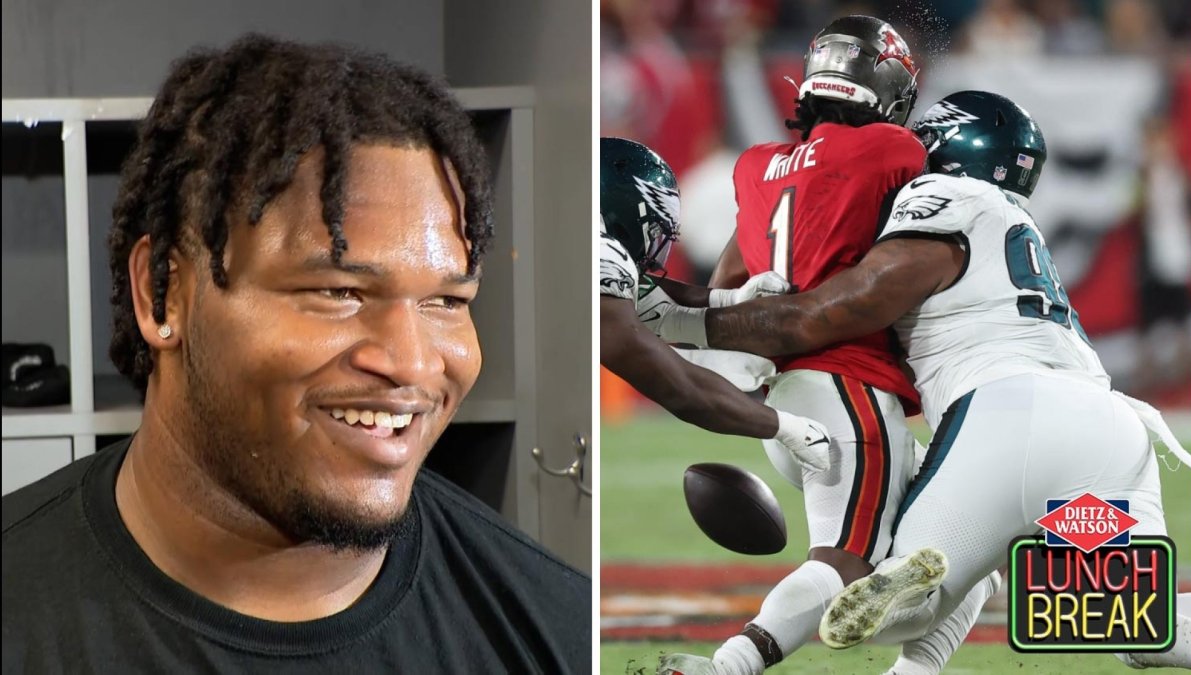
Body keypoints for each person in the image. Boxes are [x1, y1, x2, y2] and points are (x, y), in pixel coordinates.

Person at [1, 34, 588, 673]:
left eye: (447, 301)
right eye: (338, 291)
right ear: (163, 295)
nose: (413, 363)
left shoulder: (557, 629)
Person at [660, 90, 1191, 673]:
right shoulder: (1011, 222)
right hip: (1108, 436)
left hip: (1009, 418)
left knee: (903, 605)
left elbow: (851, 303)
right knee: (1138, 628)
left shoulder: (942, 194)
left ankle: (912, 576)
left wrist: (704, 319)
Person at [650, 16, 989, 675]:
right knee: (844, 564)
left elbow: (725, 284)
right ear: (883, 88)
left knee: (970, 539)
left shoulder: (755, 167)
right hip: (851, 391)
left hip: (785, 399)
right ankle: (726, 666)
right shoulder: (892, 150)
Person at [599, 136, 832, 473]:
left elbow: (656, 304)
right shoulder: (604, 254)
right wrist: (785, 427)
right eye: (654, 230)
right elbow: (680, 388)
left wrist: (730, 299)